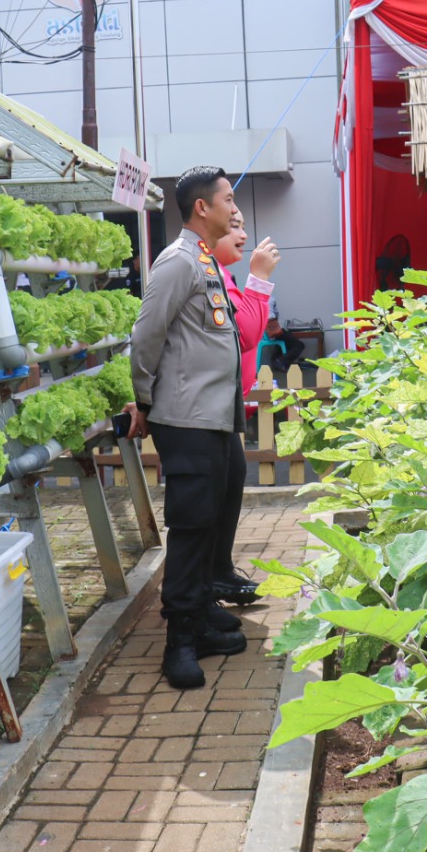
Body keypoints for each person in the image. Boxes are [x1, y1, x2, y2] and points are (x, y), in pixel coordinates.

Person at [124, 165, 255, 690]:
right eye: (227, 199)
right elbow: (146, 334)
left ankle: (199, 614)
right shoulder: (178, 262)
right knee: (192, 525)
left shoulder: (204, 260)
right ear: (202, 208)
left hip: (215, 416)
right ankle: (179, 638)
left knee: (212, 519)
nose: (234, 208)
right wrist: (142, 398)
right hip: (186, 418)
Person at [211, 211, 280, 393]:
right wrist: (259, 278)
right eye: (234, 226)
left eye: (243, 227)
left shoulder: (218, 273)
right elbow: (244, 336)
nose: (244, 235)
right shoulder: (205, 274)